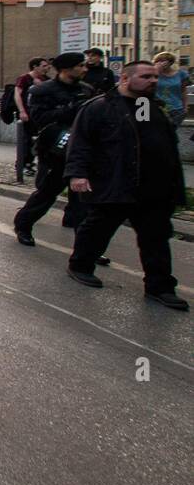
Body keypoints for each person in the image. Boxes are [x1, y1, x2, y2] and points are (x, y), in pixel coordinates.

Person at [65, 61, 186, 310]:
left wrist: (173, 185)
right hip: (115, 182)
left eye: (155, 76)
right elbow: (81, 143)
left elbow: (156, 144)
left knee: (156, 237)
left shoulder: (147, 107)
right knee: (98, 229)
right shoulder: (99, 107)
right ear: (125, 78)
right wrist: (78, 174)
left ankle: (159, 286)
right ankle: (80, 265)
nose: (153, 80)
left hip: (152, 188)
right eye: (146, 76)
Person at [13, 52, 93, 246]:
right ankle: (23, 225)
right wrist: (73, 109)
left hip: (82, 151)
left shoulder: (87, 90)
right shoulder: (43, 90)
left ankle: (87, 246)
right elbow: (39, 119)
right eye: (80, 65)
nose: (85, 69)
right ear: (66, 69)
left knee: (84, 200)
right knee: (46, 194)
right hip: (54, 150)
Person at [14, 57, 50, 182]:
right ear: (35, 66)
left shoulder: (46, 80)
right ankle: (22, 164)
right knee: (26, 140)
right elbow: (17, 94)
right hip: (27, 114)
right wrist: (22, 111)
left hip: (41, 116)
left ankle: (32, 164)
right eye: (44, 66)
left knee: (39, 140)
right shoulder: (24, 79)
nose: (47, 68)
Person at [152, 52, 189, 129]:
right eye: (158, 61)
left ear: (171, 62)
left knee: (170, 131)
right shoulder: (154, 74)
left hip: (176, 108)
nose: (161, 63)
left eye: (164, 61)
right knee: (159, 131)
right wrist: (156, 71)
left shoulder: (181, 74)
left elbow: (183, 91)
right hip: (158, 108)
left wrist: (185, 108)